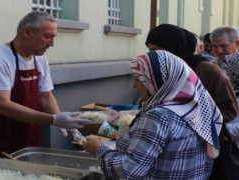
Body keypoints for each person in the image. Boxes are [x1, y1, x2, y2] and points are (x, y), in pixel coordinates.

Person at [82, 50, 223, 179]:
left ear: (158, 81)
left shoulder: (158, 116)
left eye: (138, 79)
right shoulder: (195, 108)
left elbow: (128, 172)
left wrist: (99, 150)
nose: (134, 86)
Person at [0, 11, 90, 157]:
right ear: (27, 32)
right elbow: (2, 106)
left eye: (53, 37)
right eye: (48, 37)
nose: (52, 44)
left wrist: (65, 122)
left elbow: (45, 95)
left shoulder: (40, 59)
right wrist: (54, 120)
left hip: (28, 134)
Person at [144, 24, 239, 125]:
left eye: (156, 50)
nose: (152, 55)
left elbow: (230, 111)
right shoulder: (161, 71)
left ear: (173, 47)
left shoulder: (207, 70)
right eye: (150, 50)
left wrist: (187, 119)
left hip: (201, 138)